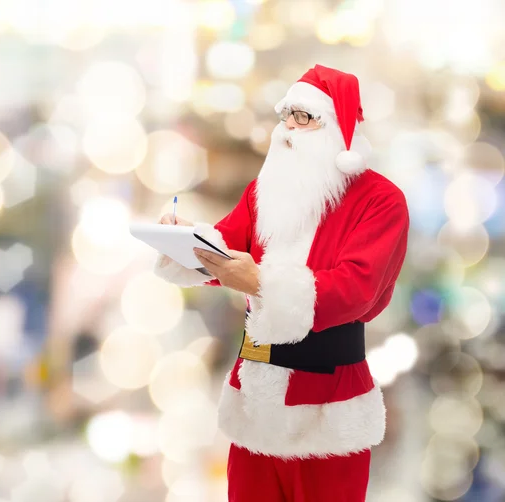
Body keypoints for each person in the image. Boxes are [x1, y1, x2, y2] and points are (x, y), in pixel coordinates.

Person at [154, 64, 409, 502]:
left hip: (327, 410)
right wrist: (186, 244)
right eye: (285, 115)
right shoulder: (264, 191)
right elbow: (227, 245)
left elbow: (355, 289)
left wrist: (259, 280)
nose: (287, 128)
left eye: (303, 117)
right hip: (256, 401)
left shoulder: (381, 201)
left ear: (334, 128)